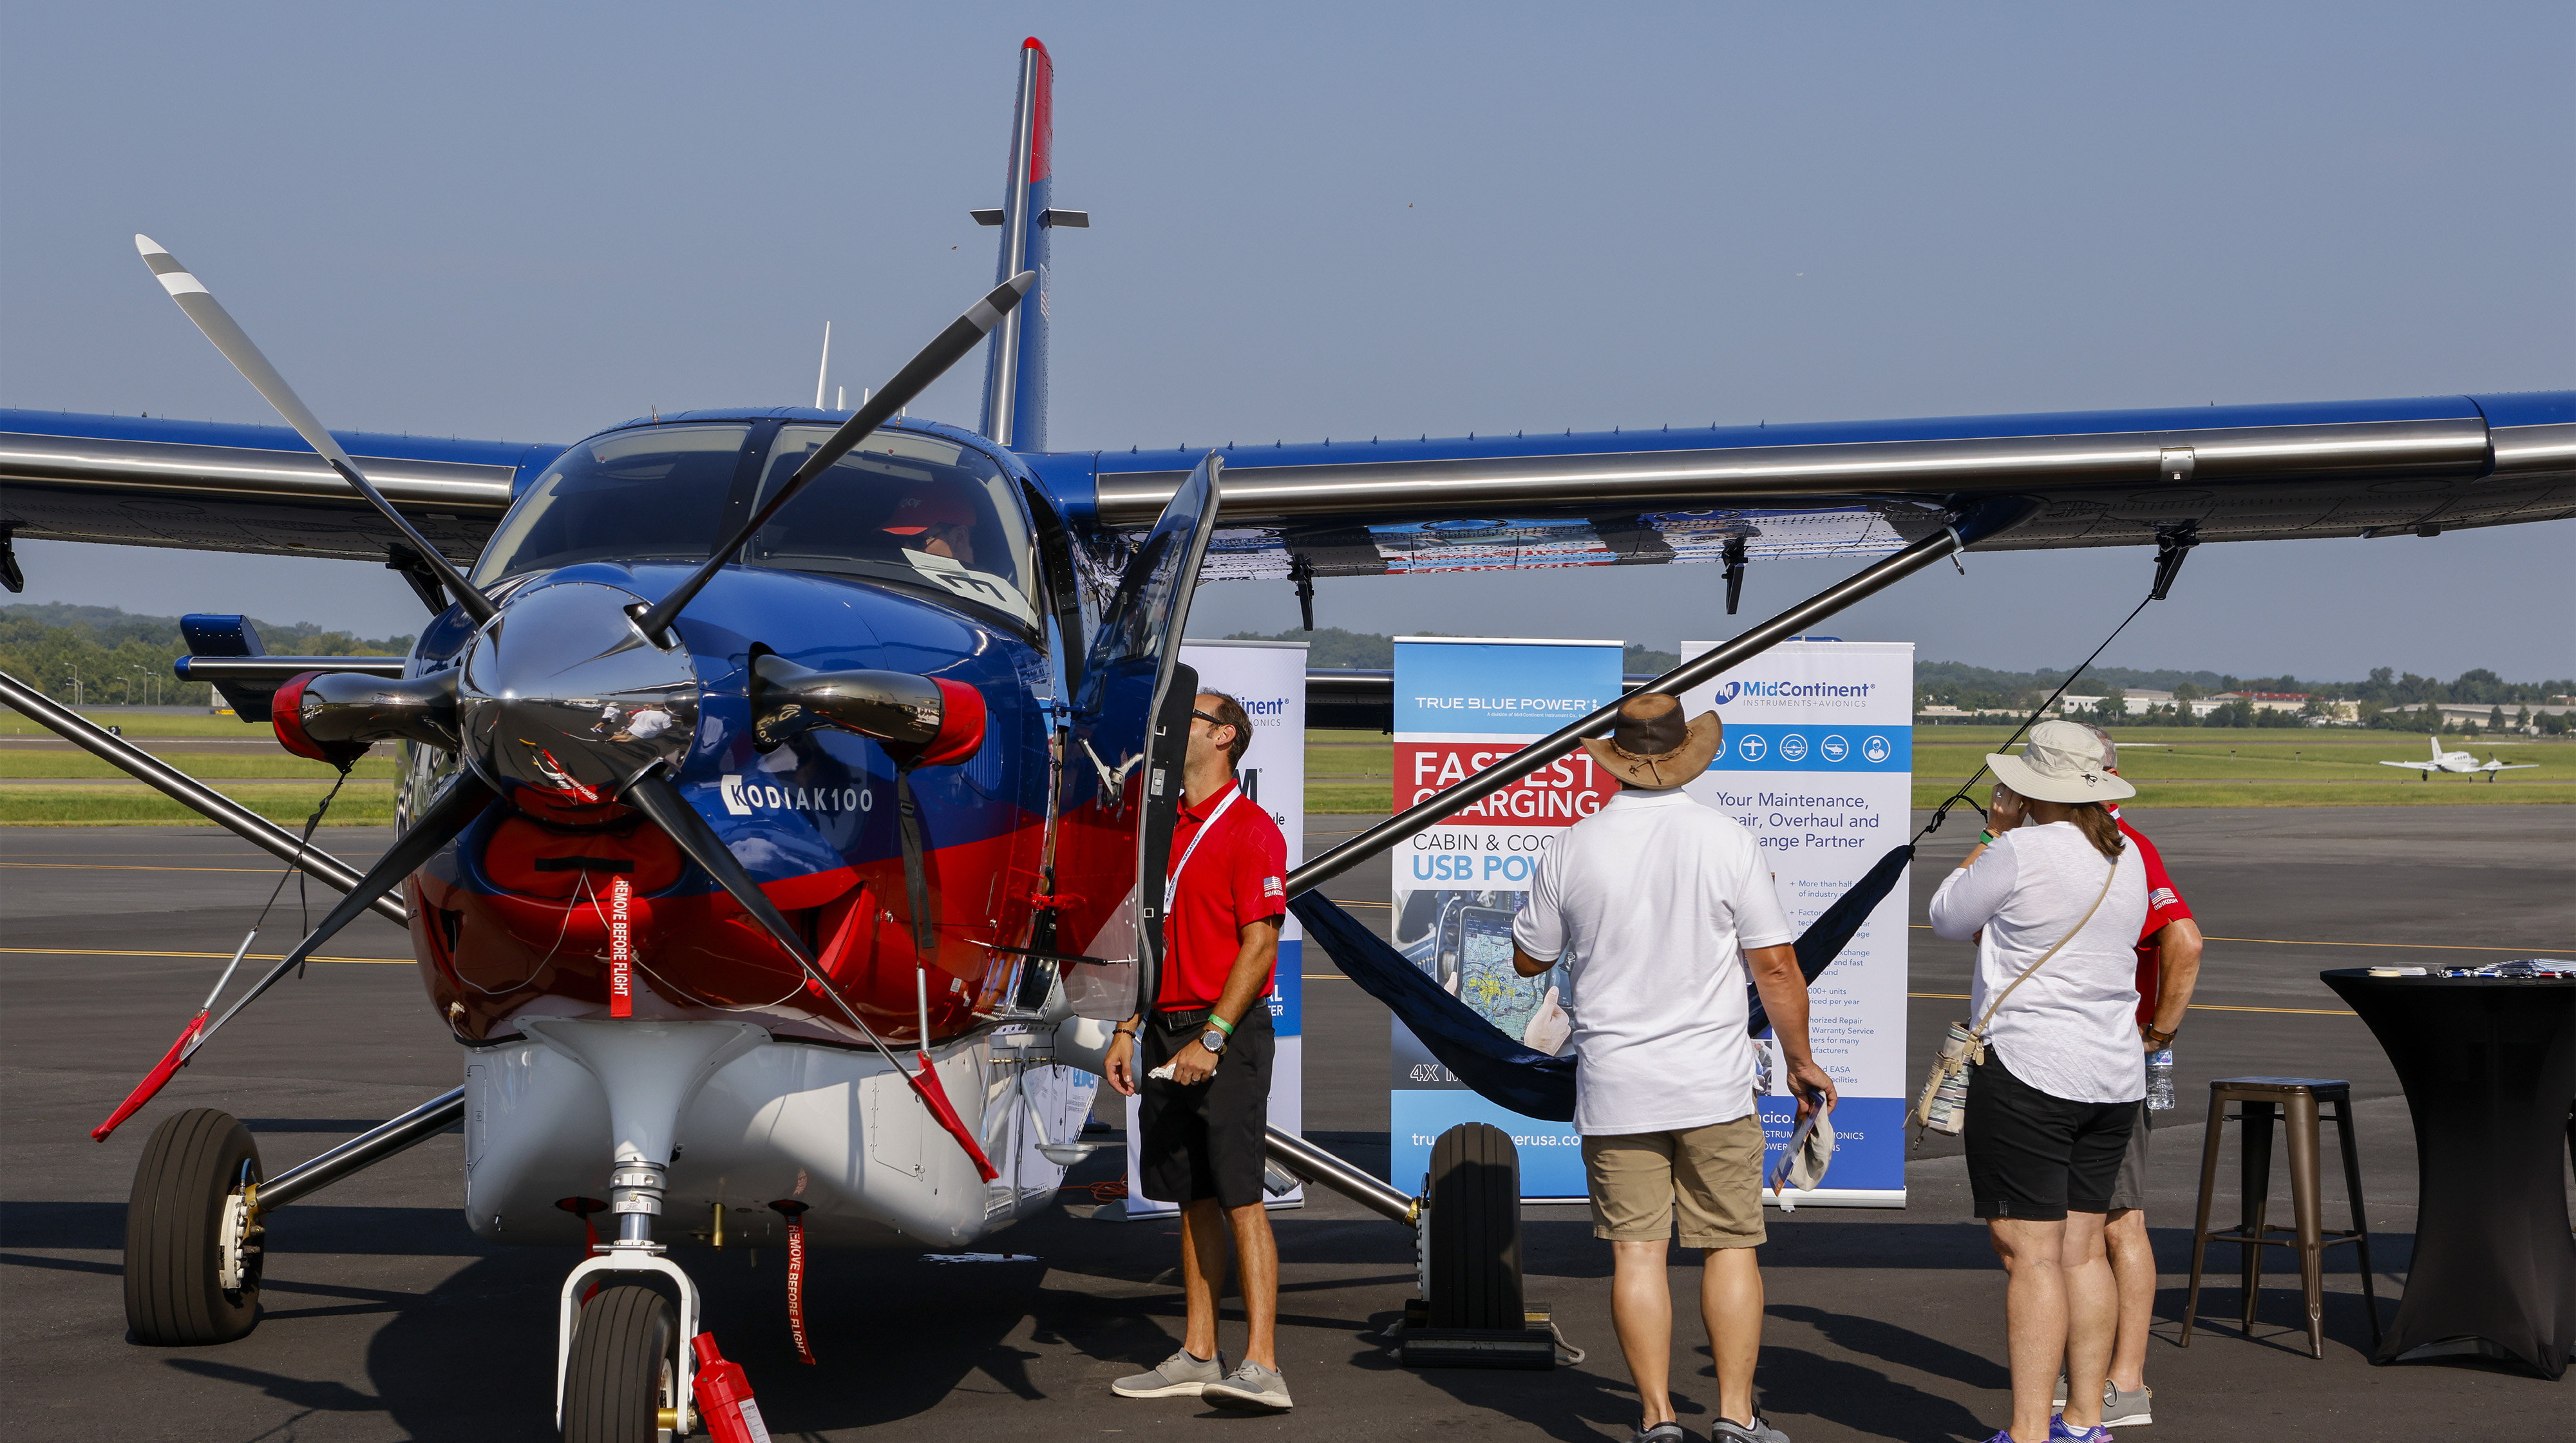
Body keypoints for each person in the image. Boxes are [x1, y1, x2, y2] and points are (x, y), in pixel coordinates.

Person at [1508, 693, 1835, 1443]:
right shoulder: (1725, 838)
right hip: (1711, 1084)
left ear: (1616, 758)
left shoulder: (1571, 845)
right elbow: (1777, 965)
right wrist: (1800, 1059)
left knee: (1636, 1252)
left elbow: (1531, 954)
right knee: (1728, 1245)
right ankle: (1734, 1412)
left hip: (1616, 1083)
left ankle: (1656, 1417)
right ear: (1687, 753)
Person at [1928, 720, 2150, 1443]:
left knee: (2030, 1253)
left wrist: (1994, 834)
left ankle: (2026, 1431)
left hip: (2030, 1069)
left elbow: (1945, 914)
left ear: (2028, 787)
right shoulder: (2126, 858)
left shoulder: (2018, 849)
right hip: (2114, 1074)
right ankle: (2084, 1420)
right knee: (2083, 1250)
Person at [1103, 691, 1294, 1411]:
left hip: (1224, 1032)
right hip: (1161, 1025)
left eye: (1191, 714)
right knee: (1192, 1197)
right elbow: (1141, 945)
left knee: (1242, 1196)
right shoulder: (1163, 829)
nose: (1173, 722)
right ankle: (1198, 1351)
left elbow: (1261, 943)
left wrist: (1211, 1038)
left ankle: (1263, 1365)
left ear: (1223, 736)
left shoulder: (1250, 830)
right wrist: (1127, 1027)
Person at [2040, 723, 2201, 1428]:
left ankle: (2123, 1380)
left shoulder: (2121, 844)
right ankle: (2099, 1375)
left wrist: (2156, 1034)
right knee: (2095, 1222)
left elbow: (2184, 940)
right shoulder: (2088, 846)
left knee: (2114, 1219)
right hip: (2092, 1052)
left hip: (2100, 1054)